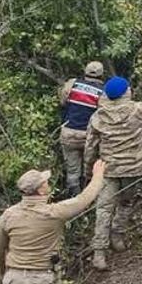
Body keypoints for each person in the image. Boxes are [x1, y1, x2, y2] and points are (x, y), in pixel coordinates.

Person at [83, 74, 142, 270]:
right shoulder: (140, 110)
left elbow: (90, 147)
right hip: (135, 168)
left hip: (109, 169)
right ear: (126, 93)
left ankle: (99, 252)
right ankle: (118, 236)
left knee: (104, 209)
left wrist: (89, 171)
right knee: (127, 201)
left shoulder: (98, 117)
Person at [57, 61, 104, 195]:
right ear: (101, 75)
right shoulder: (103, 92)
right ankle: (89, 200)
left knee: (72, 171)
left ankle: (74, 201)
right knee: (90, 170)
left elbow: (62, 102)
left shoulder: (73, 84)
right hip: (89, 136)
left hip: (69, 132)